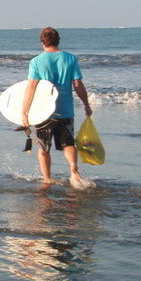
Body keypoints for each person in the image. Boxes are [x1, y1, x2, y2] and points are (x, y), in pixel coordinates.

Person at [22, 27, 92, 186]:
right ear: (58, 40)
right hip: (66, 109)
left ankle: (47, 179)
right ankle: (73, 168)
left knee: (43, 148)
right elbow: (77, 84)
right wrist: (86, 104)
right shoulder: (70, 58)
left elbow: (31, 88)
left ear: (42, 42)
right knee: (68, 144)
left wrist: (24, 112)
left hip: (44, 113)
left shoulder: (36, 61)